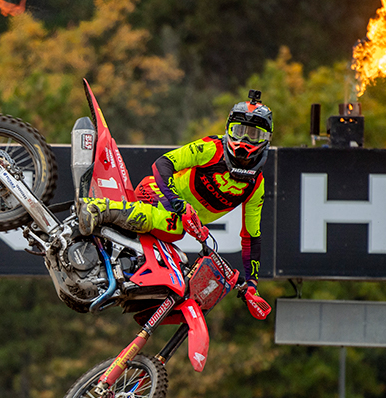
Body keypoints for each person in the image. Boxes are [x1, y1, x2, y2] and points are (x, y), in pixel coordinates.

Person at [76, 90, 272, 316]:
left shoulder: (256, 186)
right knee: (175, 227)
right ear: (228, 131)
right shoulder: (211, 148)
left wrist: (252, 284)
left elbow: (251, 237)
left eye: (253, 135)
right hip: (156, 192)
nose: (244, 141)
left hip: (177, 219)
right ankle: (99, 209)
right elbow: (163, 164)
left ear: (265, 140)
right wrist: (178, 204)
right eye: (238, 132)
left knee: (177, 263)